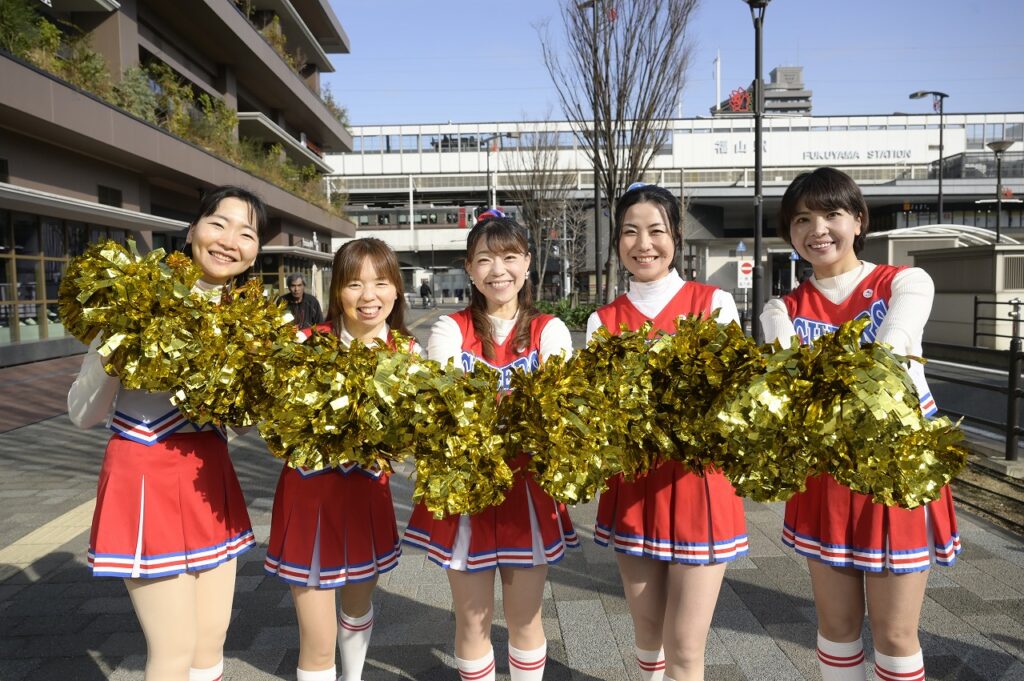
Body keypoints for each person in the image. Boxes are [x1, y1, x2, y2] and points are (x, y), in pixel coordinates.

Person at [761, 167, 961, 681]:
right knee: (837, 627)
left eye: (832, 214)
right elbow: (790, 385)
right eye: (802, 219)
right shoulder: (781, 309)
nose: (817, 229)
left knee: (895, 634)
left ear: (858, 220)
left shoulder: (905, 282)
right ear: (789, 232)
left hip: (896, 468)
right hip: (825, 473)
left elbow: (891, 352)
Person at [67, 185, 266, 681]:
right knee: (174, 649)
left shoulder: (247, 319)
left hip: (209, 477)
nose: (230, 240)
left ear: (256, 250)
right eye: (218, 224)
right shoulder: (139, 298)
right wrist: (116, 345)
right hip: (145, 474)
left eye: (246, 233)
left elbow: (241, 423)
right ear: (192, 231)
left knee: (210, 642)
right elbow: (81, 414)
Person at [403, 209, 579, 681]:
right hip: (466, 493)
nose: (498, 270)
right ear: (469, 268)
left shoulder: (550, 330)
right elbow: (445, 401)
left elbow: (556, 405)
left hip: (528, 491)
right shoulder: (449, 328)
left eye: (509, 257)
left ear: (527, 262)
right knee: (472, 621)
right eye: (484, 259)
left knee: (525, 620)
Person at [585, 183, 748, 681]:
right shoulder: (601, 321)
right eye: (629, 232)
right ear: (617, 241)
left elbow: (733, 402)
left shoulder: (714, 302)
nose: (643, 244)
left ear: (676, 234)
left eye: (656, 230)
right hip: (634, 490)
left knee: (685, 648)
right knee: (647, 634)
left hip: (700, 488)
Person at [264, 238, 416, 681]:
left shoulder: (409, 353)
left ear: (396, 289)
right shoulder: (305, 344)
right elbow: (273, 422)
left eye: (381, 282)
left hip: (367, 497)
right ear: (337, 291)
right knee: (317, 638)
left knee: (356, 609)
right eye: (354, 284)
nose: (369, 295)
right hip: (309, 497)